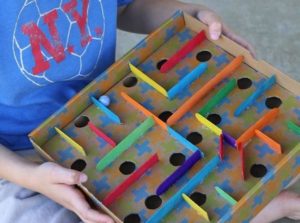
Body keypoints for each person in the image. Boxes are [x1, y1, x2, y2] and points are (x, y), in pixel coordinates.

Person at [0, 0, 298, 223]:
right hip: (18, 155)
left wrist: (194, 15)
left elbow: (131, 6)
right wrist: (30, 176)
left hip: (115, 106)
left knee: (209, 161)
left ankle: (266, 203)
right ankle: (266, 206)